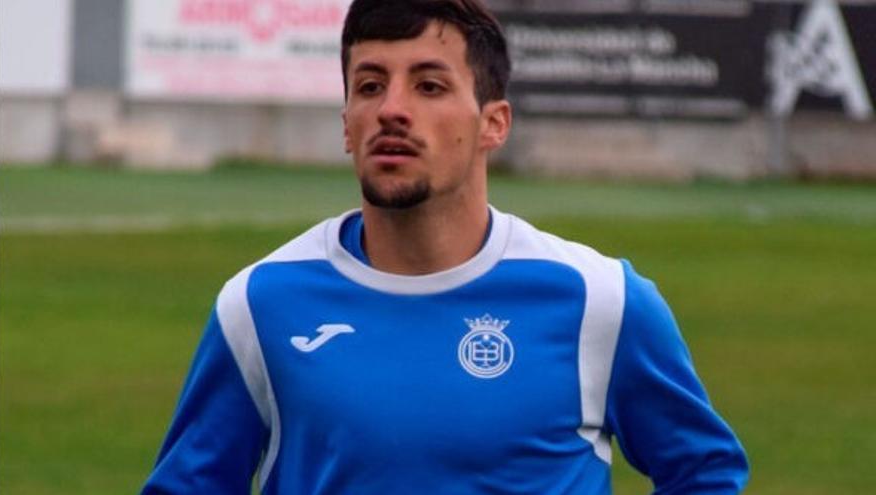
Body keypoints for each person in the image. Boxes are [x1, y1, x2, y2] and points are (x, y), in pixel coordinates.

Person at [141, 0, 749, 493]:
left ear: (494, 123)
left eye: (429, 86)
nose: (393, 110)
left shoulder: (602, 301)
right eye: (370, 85)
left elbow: (704, 473)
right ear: (346, 123)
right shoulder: (260, 306)